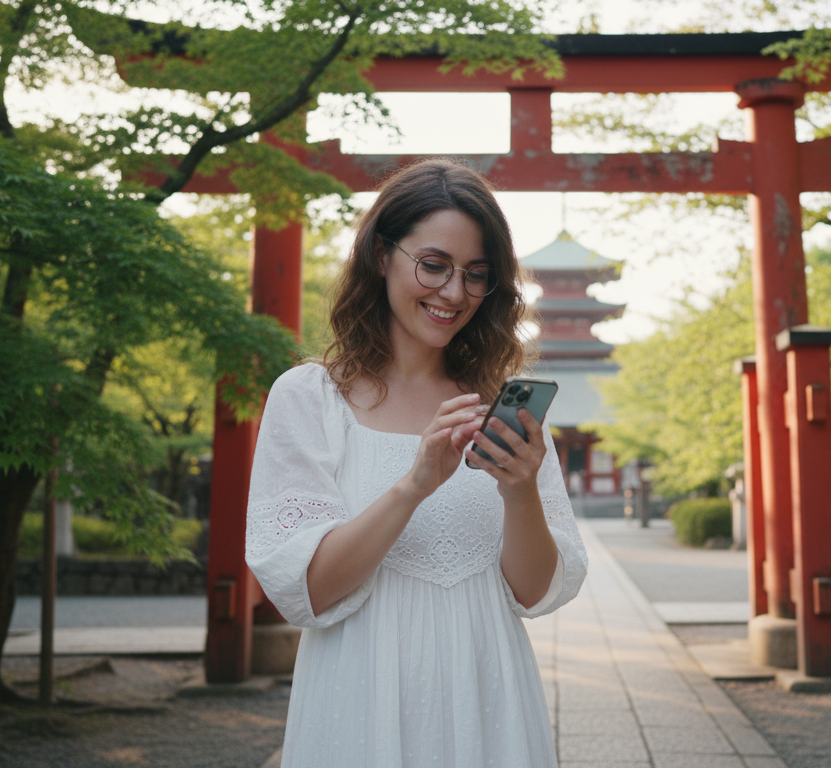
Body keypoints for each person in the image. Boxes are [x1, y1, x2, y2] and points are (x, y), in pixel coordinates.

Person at [246, 158, 587, 768]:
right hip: (360, 693)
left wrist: (520, 491)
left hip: (491, 691)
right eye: (434, 265)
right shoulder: (309, 398)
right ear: (382, 254)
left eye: (476, 275)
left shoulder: (500, 408)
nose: (454, 293)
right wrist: (414, 483)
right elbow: (309, 591)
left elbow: (535, 592)